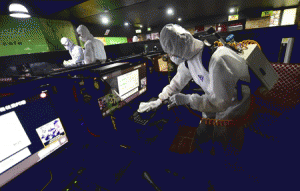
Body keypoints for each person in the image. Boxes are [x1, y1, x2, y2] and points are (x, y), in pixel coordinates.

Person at [138, 24, 251, 152]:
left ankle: (226, 165)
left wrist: (188, 99)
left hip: (234, 102)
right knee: (203, 132)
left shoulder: (216, 59)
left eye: (172, 53)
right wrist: (159, 100)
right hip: (214, 98)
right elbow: (176, 84)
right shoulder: (188, 59)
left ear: (181, 48)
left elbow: (221, 102)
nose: (171, 57)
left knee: (223, 140)